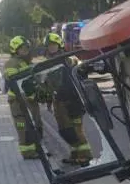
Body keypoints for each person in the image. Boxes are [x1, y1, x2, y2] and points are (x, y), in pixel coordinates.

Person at [40, 31, 93, 164]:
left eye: (53, 45)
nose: (51, 48)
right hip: (59, 101)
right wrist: (47, 99)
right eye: (49, 46)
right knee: (65, 130)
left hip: (73, 99)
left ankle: (85, 155)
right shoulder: (47, 63)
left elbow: (82, 71)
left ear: (59, 45)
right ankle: (75, 153)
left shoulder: (69, 59)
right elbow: (48, 84)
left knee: (76, 129)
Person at [4, 36, 41, 159]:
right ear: (15, 49)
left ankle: (37, 149)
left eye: (27, 48)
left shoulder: (25, 62)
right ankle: (27, 152)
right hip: (18, 100)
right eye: (23, 49)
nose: (26, 51)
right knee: (23, 126)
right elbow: (15, 80)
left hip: (29, 98)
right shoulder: (12, 63)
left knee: (35, 124)